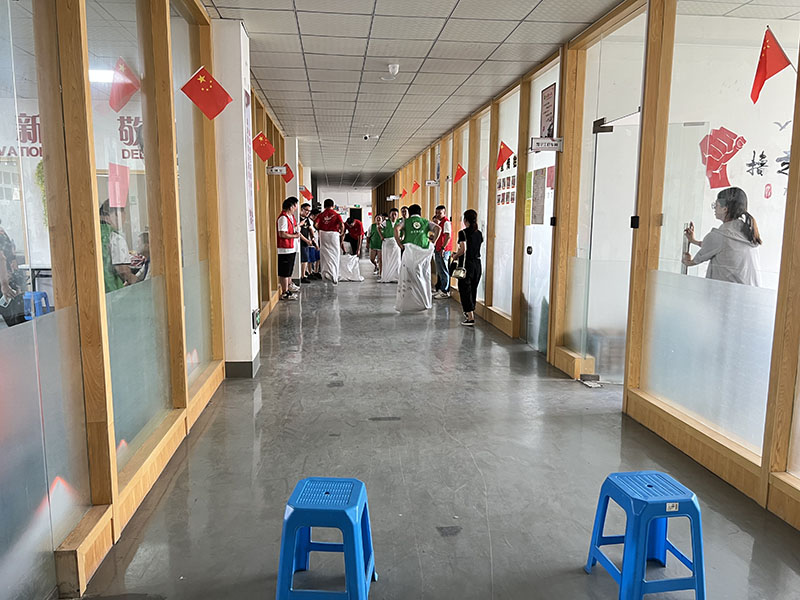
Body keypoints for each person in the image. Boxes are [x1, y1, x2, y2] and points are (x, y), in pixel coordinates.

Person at [683, 187, 762, 286]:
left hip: (728, 294)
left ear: (725, 209)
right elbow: (720, 247)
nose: (714, 209)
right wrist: (693, 241)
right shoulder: (746, 232)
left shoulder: (720, 235)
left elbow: (691, 262)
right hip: (751, 292)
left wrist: (687, 260)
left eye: (716, 205)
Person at [394, 203, 441, 312]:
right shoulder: (425, 221)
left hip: (409, 252)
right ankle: (423, 301)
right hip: (423, 252)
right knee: (423, 275)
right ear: (420, 212)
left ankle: (410, 302)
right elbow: (438, 228)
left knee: (409, 275)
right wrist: (433, 242)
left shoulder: (406, 221)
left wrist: (399, 243)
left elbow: (396, 228)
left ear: (410, 213)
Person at [453, 209, 483, 326]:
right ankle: (470, 312)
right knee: (473, 289)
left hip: (467, 265)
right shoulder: (479, 233)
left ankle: (470, 317)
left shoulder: (463, 233)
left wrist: (455, 256)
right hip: (477, 264)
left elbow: (463, 249)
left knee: (465, 289)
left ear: (465, 220)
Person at [100, 199, 138, 292]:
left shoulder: (92, 234)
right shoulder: (115, 238)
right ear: (117, 214)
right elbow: (123, 271)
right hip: (111, 293)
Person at [0, 218, 27, 326]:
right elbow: (12, 256)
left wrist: (4, 285)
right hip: (11, 279)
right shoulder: (2, 233)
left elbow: (1, 258)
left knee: (15, 321)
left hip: (5, 282)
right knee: (17, 320)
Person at [277, 197, 303, 300]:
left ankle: (288, 287)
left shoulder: (290, 217)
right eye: (296, 206)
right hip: (285, 249)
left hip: (291, 247)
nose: (296, 208)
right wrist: (294, 236)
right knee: (284, 272)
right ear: (291, 206)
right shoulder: (283, 218)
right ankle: (285, 292)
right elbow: (282, 234)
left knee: (288, 270)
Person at [315, 198, 345, 284]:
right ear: (333, 206)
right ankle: (334, 276)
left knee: (324, 254)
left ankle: (325, 274)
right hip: (333, 234)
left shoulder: (321, 215)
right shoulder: (336, 214)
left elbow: (315, 224)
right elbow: (342, 224)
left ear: (324, 206)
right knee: (335, 254)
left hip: (323, 234)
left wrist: (319, 230)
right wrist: (341, 232)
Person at [432, 205, 453, 299]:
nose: (437, 215)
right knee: (440, 271)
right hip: (438, 249)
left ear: (444, 213)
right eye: (436, 213)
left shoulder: (446, 223)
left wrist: (443, 248)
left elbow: (448, 236)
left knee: (444, 270)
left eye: (440, 213)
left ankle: (445, 291)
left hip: (443, 250)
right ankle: (441, 289)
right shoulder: (440, 223)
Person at [380, 208, 401, 283]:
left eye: (395, 214)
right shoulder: (386, 222)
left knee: (397, 260)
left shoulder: (399, 222)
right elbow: (378, 227)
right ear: (389, 215)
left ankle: (396, 276)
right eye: (392, 214)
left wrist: (402, 237)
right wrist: (381, 236)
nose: (394, 216)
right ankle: (387, 276)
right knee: (387, 259)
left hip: (396, 242)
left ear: (397, 215)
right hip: (387, 243)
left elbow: (404, 230)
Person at [299, 203, 316, 283]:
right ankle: (302, 276)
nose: (308, 212)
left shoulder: (307, 219)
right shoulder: (298, 219)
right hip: (301, 242)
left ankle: (304, 274)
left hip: (306, 242)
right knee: (303, 259)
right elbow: (299, 233)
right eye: (306, 210)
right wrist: (307, 240)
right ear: (302, 209)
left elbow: (310, 229)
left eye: (309, 211)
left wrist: (312, 238)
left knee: (305, 259)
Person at [308, 208, 322, 279]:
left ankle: (316, 271)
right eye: (317, 216)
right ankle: (310, 272)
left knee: (317, 258)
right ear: (313, 215)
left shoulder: (315, 222)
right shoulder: (309, 222)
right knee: (311, 259)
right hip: (311, 243)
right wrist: (314, 243)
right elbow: (311, 234)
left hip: (317, 242)